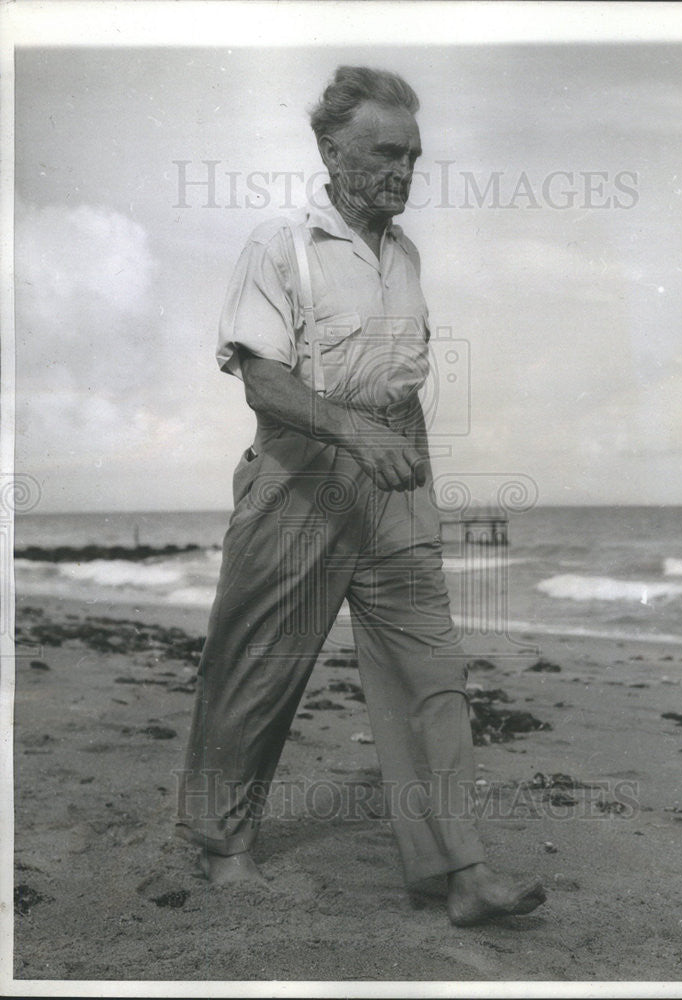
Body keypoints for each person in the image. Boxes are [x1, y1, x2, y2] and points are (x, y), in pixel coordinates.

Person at [176, 65, 546, 927]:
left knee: (433, 673)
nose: (403, 170)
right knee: (258, 668)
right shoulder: (281, 247)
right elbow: (265, 383)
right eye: (385, 152)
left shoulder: (404, 256)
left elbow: (397, 379)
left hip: (391, 486)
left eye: (413, 155)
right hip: (297, 480)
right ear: (329, 149)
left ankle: (459, 874)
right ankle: (223, 846)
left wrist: (412, 471)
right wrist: (357, 434)